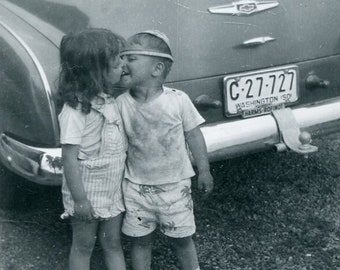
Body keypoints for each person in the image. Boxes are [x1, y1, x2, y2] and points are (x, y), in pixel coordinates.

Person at [117, 30, 214, 270]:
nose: (123, 63)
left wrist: (204, 169)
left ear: (157, 69)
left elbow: (193, 134)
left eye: (131, 58)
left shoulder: (177, 100)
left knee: (182, 240)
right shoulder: (120, 104)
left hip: (174, 188)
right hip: (136, 188)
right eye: (122, 58)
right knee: (140, 242)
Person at [57, 28, 127, 270]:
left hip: (111, 186)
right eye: (117, 59)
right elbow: (69, 157)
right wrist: (80, 200)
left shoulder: (108, 99)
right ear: (96, 70)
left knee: (113, 243)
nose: (123, 64)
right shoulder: (75, 111)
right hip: (86, 189)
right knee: (84, 245)